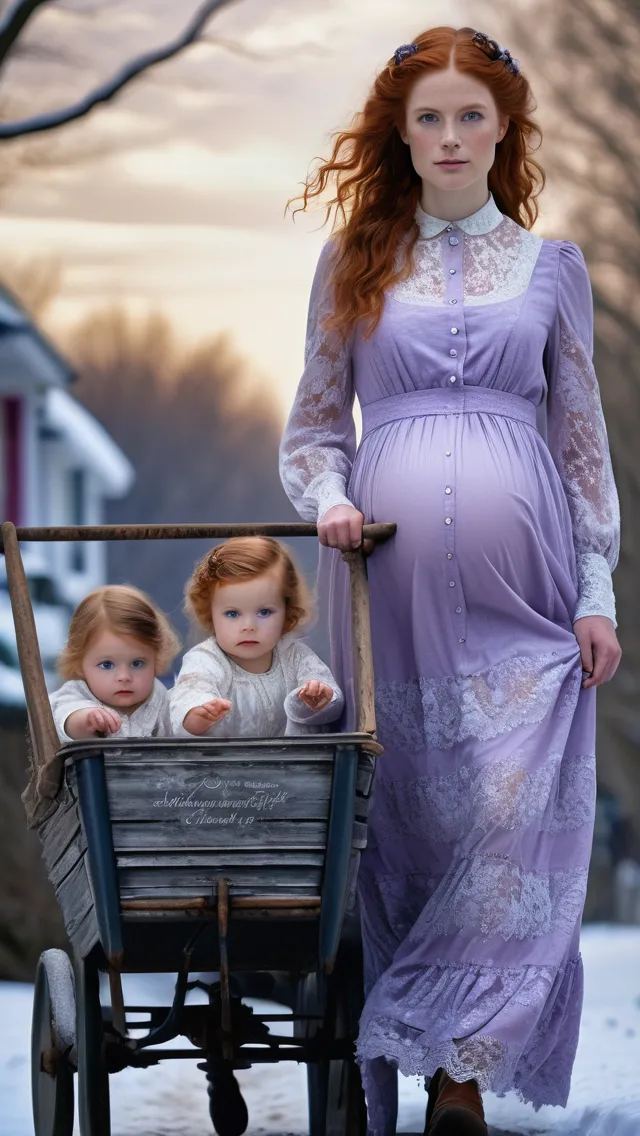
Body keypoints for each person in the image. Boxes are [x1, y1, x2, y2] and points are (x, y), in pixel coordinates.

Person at [279, 25, 622, 1136]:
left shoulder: (551, 266)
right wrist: (325, 497)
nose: (449, 135)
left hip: (526, 590)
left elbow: (580, 448)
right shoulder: (353, 260)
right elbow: (314, 427)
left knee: (513, 809)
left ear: (504, 126)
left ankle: (461, 1056)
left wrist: (595, 589)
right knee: (418, 815)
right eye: (427, 115)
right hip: (386, 589)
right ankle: (435, 1065)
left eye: (470, 113)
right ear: (400, 131)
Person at [169, 536, 343, 737]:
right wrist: (197, 714)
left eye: (264, 612)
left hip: (291, 764)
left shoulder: (295, 656)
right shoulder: (205, 659)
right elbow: (190, 691)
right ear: (210, 614)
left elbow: (331, 703)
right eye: (232, 614)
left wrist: (318, 699)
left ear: (287, 611)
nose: (249, 627)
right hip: (223, 765)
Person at [51, 584, 179, 742]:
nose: (124, 677)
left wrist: (198, 717)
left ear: (156, 658)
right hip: (93, 767)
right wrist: (85, 719)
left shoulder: (161, 700)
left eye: (137, 663)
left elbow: (185, 731)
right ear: (79, 663)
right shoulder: (74, 694)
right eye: (107, 665)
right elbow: (62, 716)